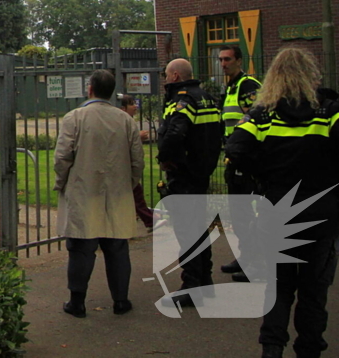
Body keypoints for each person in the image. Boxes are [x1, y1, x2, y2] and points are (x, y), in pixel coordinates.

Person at [225, 48, 339, 358]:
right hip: (321, 212)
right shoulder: (329, 111)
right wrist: (337, 171)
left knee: (278, 287)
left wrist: (264, 174)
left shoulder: (263, 115)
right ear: (311, 74)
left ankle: (272, 348)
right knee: (314, 291)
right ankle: (309, 349)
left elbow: (236, 148)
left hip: (277, 211)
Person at [55, 70, 144, 318]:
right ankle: (121, 300)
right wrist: (128, 184)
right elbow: (137, 160)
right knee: (117, 246)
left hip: (84, 190)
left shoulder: (74, 118)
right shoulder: (126, 121)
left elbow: (62, 157)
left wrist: (62, 182)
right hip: (117, 192)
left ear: (90, 89)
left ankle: (77, 302)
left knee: (81, 247)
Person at [157, 58, 224, 308]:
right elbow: (217, 133)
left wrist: (165, 158)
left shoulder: (183, 100)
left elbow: (175, 132)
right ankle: (205, 281)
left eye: (166, 75)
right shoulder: (208, 98)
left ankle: (192, 286)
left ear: (175, 76)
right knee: (199, 226)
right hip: (201, 172)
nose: (165, 79)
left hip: (184, 173)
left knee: (187, 230)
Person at [218, 45, 263, 281]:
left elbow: (255, 119)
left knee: (246, 212)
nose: (223, 64)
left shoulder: (247, 86)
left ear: (239, 60)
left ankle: (256, 261)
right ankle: (246, 256)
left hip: (247, 159)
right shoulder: (232, 86)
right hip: (234, 156)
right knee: (239, 212)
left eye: (227, 59)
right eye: (220, 60)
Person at [120, 94, 154, 230]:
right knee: (136, 194)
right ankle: (150, 221)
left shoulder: (128, 121)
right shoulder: (121, 122)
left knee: (135, 194)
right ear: (123, 108)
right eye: (131, 104)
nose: (135, 106)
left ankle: (145, 220)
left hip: (128, 166)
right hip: (124, 166)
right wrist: (137, 137)